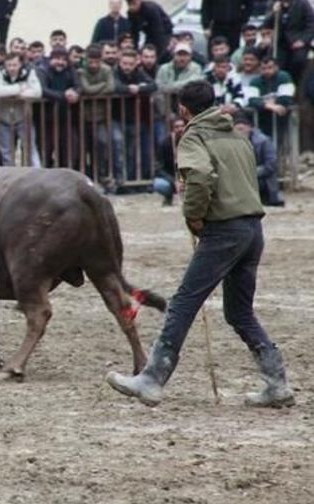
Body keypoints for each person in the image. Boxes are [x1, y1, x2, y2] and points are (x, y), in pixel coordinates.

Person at [106, 80, 295, 408]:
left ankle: (151, 379)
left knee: (183, 302)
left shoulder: (194, 136)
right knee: (239, 311)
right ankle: (277, 383)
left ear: (183, 109)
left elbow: (201, 177)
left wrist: (194, 216)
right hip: (252, 230)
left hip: (223, 231)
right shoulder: (238, 137)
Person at [79, 44, 122, 191]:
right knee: (82, 149)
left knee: (103, 144)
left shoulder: (106, 70)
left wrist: (94, 91)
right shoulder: (81, 71)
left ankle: (103, 176)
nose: (94, 65)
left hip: (101, 117)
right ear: (86, 60)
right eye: (91, 62)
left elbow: (111, 88)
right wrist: (100, 87)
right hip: (83, 117)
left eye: (97, 62)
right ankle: (86, 178)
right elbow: (86, 89)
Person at [0, 51, 42, 166]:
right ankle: (10, 180)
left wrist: (8, 91)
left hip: (23, 117)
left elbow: (37, 92)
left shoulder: (29, 72)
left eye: (14, 65)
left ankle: (37, 177)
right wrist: (20, 88)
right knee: (7, 153)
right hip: (3, 118)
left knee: (30, 150)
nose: (11, 68)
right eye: (9, 65)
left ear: (20, 64)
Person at [114, 48, 156, 182]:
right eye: (124, 63)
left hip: (134, 119)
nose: (127, 67)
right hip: (116, 118)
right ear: (119, 62)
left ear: (136, 64)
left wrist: (139, 88)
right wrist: (129, 89)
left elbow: (153, 85)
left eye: (130, 64)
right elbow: (114, 86)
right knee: (118, 147)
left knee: (132, 152)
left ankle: (131, 180)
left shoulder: (139, 73)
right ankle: (119, 180)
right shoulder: (114, 72)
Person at [37, 47, 81, 168]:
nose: (60, 62)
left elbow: (78, 85)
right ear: (50, 59)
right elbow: (43, 90)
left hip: (67, 118)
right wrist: (63, 95)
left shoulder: (71, 70)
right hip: (46, 119)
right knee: (45, 151)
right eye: (57, 59)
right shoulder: (42, 70)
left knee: (70, 152)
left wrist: (76, 93)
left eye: (63, 59)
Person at [233, 111, 284, 206]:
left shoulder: (264, 141)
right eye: (236, 130)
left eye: (241, 129)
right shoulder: (233, 142)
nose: (239, 132)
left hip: (261, 179)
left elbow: (271, 165)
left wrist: (250, 173)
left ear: (249, 128)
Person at [246, 55, 295, 139]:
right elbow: (252, 100)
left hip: (280, 118)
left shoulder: (284, 77)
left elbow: (286, 98)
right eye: (263, 68)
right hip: (262, 119)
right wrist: (270, 106)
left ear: (276, 67)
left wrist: (265, 103)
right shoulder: (255, 81)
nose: (267, 71)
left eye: (270, 68)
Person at [264, 0, 314, 81]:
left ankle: (296, 84)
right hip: (279, 43)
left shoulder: (302, 3)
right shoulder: (273, 3)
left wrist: (303, 41)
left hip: (298, 42)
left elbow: (311, 25)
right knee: (272, 61)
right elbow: (266, 24)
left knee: (299, 60)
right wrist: (273, 13)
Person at [152, 115, 185, 206]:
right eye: (177, 127)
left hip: (188, 178)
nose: (180, 129)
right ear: (172, 129)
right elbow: (158, 168)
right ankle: (168, 197)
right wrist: (173, 181)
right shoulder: (165, 143)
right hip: (172, 179)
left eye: (182, 126)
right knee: (158, 184)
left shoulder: (191, 141)